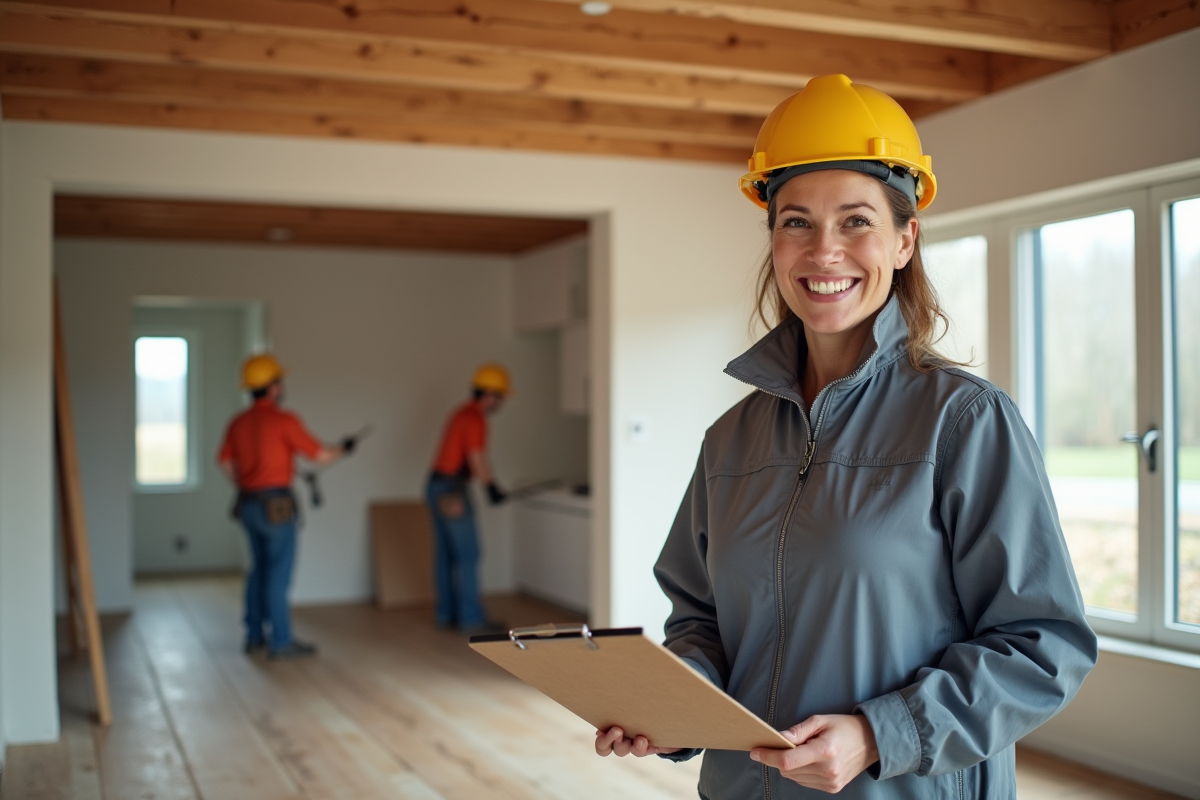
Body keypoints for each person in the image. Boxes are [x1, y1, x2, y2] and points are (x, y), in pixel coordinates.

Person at [594, 74, 1097, 798]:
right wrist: (680, 705)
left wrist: (877, 734)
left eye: (856, 221)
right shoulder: (730, 440)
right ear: (773, 240)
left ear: (903, 240)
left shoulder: (964, 421)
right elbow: (701, 617)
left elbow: (1045, 646)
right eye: (795, 221)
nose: (823, 251)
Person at [218, 354, 354, 659]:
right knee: (278, 574)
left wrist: (243, 483)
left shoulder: (238, 422)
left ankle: (254, 635)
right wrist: (343, 449)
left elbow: (224, 461)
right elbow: (319, 456)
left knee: (258, 570)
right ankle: (281, 640)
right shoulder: (284, 420)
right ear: (273, 387)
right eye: (280, 380)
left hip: (248, 506)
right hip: (276, 508)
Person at [426, 364, 511, 633]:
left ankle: (446, 614)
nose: (502, 402)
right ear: (489, 394)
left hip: (436, 486)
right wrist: (491, 487)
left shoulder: (461, 413)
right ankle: (471, 618)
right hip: (451, 491)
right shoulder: (475, 419)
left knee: (446, 555)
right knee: (468, 555)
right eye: (501, 396)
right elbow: (476, 457)